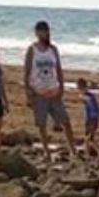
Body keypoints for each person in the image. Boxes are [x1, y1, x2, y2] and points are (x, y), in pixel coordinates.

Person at [24, 20, 76, 159]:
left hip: (53, 91)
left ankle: (73, 150)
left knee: (65, 121)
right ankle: (46, 151)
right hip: (38, 91)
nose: (43, 34)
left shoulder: (53, 49)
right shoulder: (32, 50)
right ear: (36, 33)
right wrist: (28, 93)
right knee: (41, 124)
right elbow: (27, 72)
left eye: (45, 31)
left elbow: (58, 69)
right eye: (40, 31)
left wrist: (61, 87)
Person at [78, 78, 99, 157]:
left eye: (82, 88)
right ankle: (87, 154)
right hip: (88, 119)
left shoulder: (90, 97)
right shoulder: (84, 96)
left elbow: (97, 109)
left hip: (93, 119)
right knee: (86, 138)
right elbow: (86, 109)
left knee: (89, 138)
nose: (81, 90)